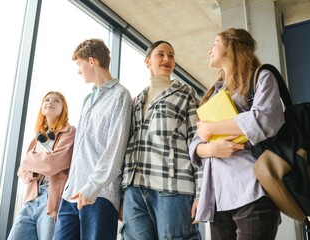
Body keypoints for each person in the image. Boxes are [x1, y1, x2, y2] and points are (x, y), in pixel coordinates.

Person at [189, 28, 284, 240]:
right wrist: (211, 148)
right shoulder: (214, 93)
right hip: (219, 200)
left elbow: (265, 119)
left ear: (231, 46)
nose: (209, 51)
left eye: (215, 43)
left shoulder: (261, 78)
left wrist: (212, 129)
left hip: (252, 191)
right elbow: (195, 144)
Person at [121, 40, 202, 240]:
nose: (167, 59)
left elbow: (198, 143)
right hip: (135, 188)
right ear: (147, 61)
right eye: (161, 54)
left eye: (171, 55)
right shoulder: (137, 100)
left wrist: (201, 193)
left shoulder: (186, 95)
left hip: (173, 187)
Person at [53, 38, 133, 240]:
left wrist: (91, 188)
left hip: (99, 195)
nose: (78, 71)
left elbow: (115, 150)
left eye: (79, 65)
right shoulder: (87, 100)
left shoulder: (120, 95)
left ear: (91, 61)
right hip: (71, 194)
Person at [8, 91, 76, 240]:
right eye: (47, 100)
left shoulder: (69, 132)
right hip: (31, 198)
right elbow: (22, 170)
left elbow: (51, 164)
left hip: (50, 199)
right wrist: (36, 166)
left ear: (63, 108)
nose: (50, 102)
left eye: (56, 101)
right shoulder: (38, 137)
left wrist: (33, 161)